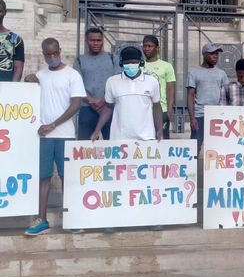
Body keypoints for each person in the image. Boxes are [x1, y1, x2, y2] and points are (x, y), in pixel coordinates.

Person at [23, 38, 86, 236]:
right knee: (43, 177)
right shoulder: (40, 76)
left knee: (67, 177)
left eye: (54, 53)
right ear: (43, 54)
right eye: (47, 55)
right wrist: (28, 80)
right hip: (43, 136)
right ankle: (42, 219)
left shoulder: (72, 75)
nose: (52, 57)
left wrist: (53, 125)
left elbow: (76, 105)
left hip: (64, 134)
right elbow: (28, 89)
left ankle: (71, 219)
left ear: (60, 50)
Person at [91, 46, 162, 141]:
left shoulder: (152, 81)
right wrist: (97, 130)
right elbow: (108, 107)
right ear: (121, 63)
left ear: (141, 62)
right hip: (119, 137)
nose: (131, 65)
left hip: (146, 137)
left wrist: (159, 130)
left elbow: (157, 106)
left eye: (134, 62)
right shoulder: (112, 82)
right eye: (127, 63)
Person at [73, 28, 120, 140]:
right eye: (92, 40)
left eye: (98, 40)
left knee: (113, 146)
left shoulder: (113, 58)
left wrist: (103, 100)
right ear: (86, 41)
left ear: (102, 41)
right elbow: (76, 84)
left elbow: (118, 83)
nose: (95, 43)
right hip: (87, 108)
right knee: (85, 147)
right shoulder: (80, 60)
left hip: (109, 107)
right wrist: (91, 101)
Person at [187, 43, 229, 149]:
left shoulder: (222, 74)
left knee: (217, 147)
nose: (215, 56)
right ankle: (193, 166)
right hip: (199, 115)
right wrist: (192, 119)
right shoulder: (194, 73)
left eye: (217, 54)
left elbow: (227, 95)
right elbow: (190, 96)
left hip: (217, 115)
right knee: (195, 146)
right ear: (204, 55)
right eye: (212, 54)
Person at [142, 35, 176, 139]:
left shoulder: (166, 66)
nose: (146, 49)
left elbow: (170, 88)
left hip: (162, 109)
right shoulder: (139, 66)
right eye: (144, 46)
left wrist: (170, 108)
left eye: (149, 46)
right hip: (143, 109)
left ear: (157, 48)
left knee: (162, 140)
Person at [0, 0, 24, 82]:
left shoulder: (16, 39)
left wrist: (13, 89)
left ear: (5, 12)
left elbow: (18, 68)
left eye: (0, 11)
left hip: (6, 88)